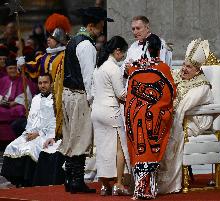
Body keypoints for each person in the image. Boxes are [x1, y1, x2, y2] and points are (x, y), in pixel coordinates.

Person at [58, 7, 113, 194]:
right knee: (80, 138)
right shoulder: (86, 45)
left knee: (72, 137)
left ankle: (69, 179)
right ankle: (76, 181)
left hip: (68, 94)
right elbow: (89, 78)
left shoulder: (74, 40)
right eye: (101, 26)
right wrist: (94, 101)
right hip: (79, 96)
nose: (102, 29)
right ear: (91, 26)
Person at [157, 38, 213, 194]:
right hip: (175, 117)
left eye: (188, 67)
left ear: (197, 70)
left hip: (192, 122)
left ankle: (167, 183)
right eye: (183, 64)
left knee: (166, 133)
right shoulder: (176, 75)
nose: (183, 69)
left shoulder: (201, 86)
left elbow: (182, 107)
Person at [125, 33, 176, 199]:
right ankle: (146, 189)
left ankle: (139, 188)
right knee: (150, 151)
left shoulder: (135, 67)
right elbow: (171, 93)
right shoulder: (163, 68)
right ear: (160, 50)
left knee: (140, 151)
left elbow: (130, 89)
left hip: (134, 113)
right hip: (154, 115)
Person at [17, 13, 71, 139]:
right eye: (48, 37)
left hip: (62, 96)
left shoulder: (66, 56)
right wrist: (23, 64)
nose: (48, 39)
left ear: (59, 40)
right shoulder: (44, 56)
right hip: (45, 97)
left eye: (51, 37)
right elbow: (35, 67)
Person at [91, 35, 131, 196]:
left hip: (97, 111)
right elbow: (121, 94)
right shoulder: (113, 67)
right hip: (110, 112)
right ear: (117, 51)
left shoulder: (99, 66)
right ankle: (119, 184)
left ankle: (104, 185)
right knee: (119, 148)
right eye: (123, 53)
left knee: (102, 149)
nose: (124, 56)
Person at [0, 74, 55, 187]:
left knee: (31, 149)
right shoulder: (35, 99)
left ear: (51, 84)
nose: (42, 85)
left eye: (45, 82)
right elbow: (31, 120)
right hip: (31, 132)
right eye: (40, 83)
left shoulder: (55, 100)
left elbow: (53, 122)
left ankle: (28, 181)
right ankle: (18, 179)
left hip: (45, 134)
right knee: (12, 146)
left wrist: (38, 133)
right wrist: (27, 133)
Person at [0, 58, 35, 143]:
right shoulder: (2, 80)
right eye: (10, 68)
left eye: (14, 68)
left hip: (17, 105)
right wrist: (2, 100)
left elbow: (27, 96)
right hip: (3, 105)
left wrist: (15, 102)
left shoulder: (24, 80)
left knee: (20, 109)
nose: (13, 70)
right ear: (6, 69)